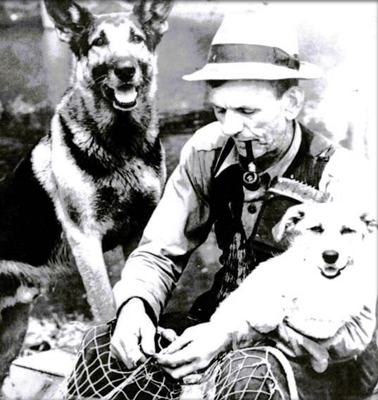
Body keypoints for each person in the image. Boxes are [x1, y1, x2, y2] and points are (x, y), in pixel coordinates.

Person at [66, 8, 377, 400]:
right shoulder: (207, 151)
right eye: (220, 110)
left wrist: (232, 333)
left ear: (292, 103)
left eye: (247, 111)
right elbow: (160, 252)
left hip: (319, 352)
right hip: (220, 322)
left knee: (246, 378)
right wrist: (134, 306)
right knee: (105, 349)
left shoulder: (341, 177)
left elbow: (357, 327)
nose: (230, 126)